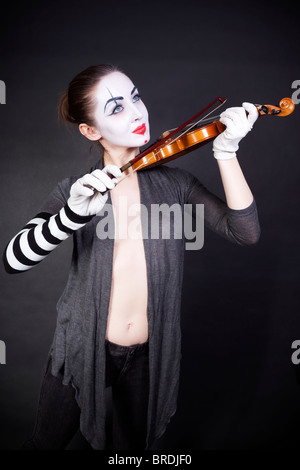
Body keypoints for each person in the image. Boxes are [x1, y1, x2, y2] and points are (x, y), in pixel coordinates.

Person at [3, 64, 261, 450]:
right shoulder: (75, 191)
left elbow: (246, 232)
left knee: (131, 455)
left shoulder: (175, 183)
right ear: (91, 131)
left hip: (148, 356)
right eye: (116, 108)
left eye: (136, 97)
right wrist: (72, 215)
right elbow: (13, 258)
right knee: (44, 444)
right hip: (82, 346)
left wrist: (226, 151)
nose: (138, 112)